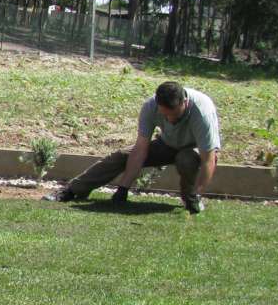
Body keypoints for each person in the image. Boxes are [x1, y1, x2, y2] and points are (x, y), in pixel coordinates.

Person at [47, 80, 219, 214]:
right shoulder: (150, 107)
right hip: (167, 144)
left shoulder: (201, 112)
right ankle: (72, 190)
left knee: (186, 159)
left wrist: (198, 192)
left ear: (185, 102)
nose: (170, 119)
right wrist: (123, 188)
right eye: (165, 115)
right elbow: (140, 149)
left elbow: (208, 159)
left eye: (174, 115)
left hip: (194, 149)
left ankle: (191, 200)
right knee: (121, 155)